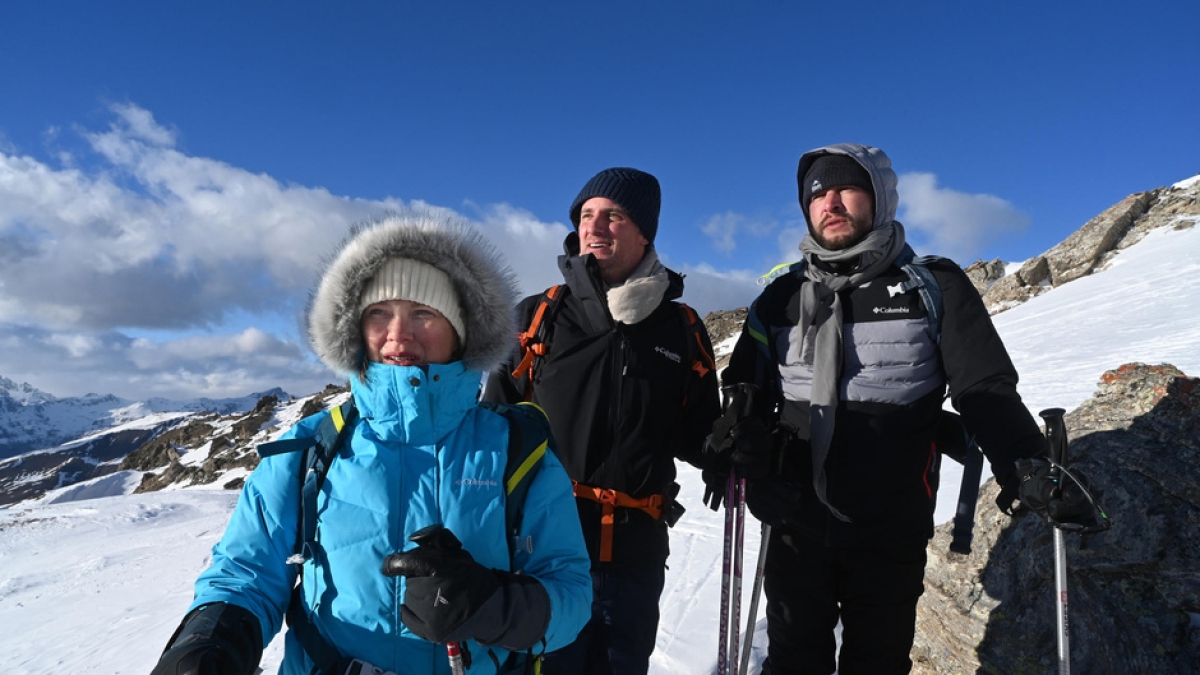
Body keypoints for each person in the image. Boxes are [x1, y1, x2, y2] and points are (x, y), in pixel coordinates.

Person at [149, 211, 592, 675]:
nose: (398, 336)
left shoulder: (517, 452)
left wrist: (492, 605)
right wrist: (207, 643)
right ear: (356, 328)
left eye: (424, 313)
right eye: (379, 313)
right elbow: (247, 574)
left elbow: (572, 594)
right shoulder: (310, 447)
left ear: (463, 331)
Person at [715, 143, 1081, 675]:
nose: (829, 202)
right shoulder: (778, 300)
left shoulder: (933, 287)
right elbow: (746, 392)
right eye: (817, 194)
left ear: (880, 198)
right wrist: (745, 452)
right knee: (793, 662)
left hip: (890, 526)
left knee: (878, 663)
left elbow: (984, 389)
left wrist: (1024, 461)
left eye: (845, 188)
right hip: (795, 522)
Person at [482, 167, 722, 674]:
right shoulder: (537, 316)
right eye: (586, 215)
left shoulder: (681, 328)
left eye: (613, 216)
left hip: (635, 552)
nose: (595, 227)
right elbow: (491, 430)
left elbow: (699, 433)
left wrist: (731, 449)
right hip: (543, 549)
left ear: (644, 231)